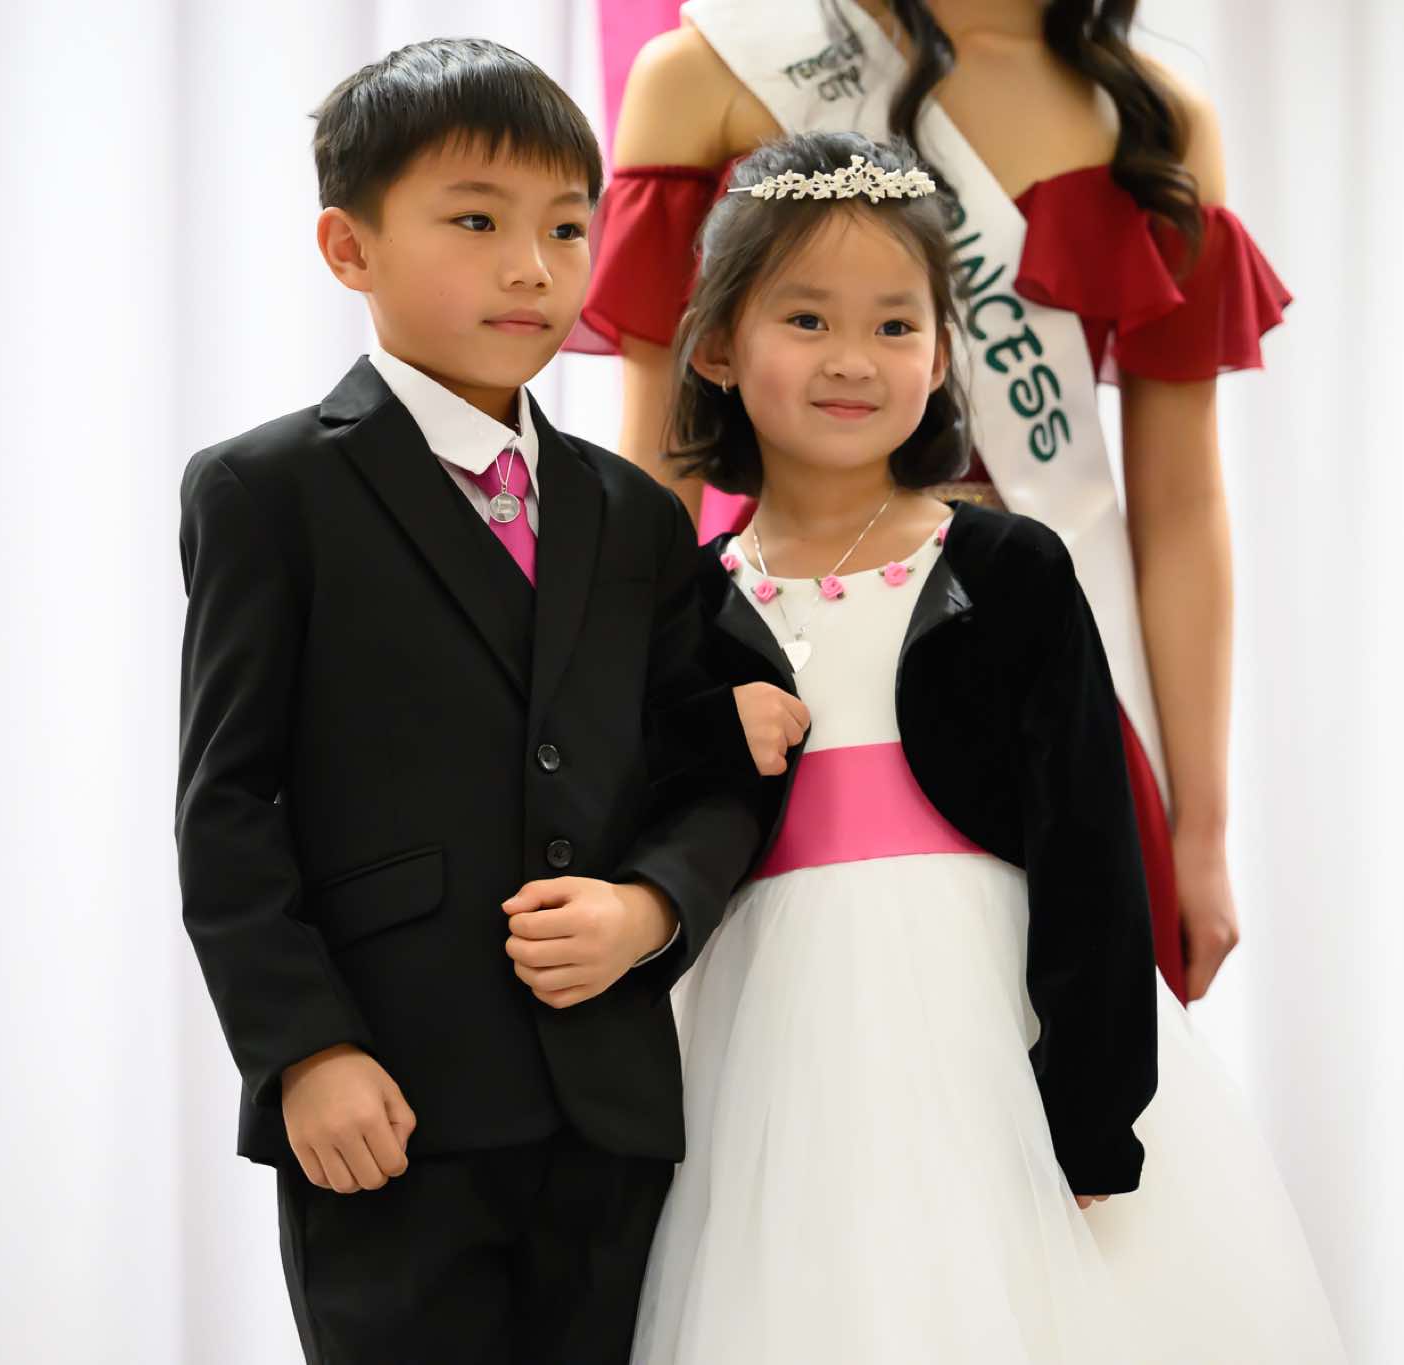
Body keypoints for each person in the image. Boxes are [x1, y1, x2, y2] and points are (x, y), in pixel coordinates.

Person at [628, 131, 1343, 1363]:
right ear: (716, 348)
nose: (852, 358)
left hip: (987, 1032)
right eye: (805, 318)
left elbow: (1087, 851)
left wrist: (1091, 1108)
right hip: (775, 1056)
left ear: (940, 351)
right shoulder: (682, 605)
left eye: (895, 324)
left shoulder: (1006, 570)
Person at [173, 38, 800, 1363]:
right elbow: (227, 804)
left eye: (566, 228)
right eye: (476, 222)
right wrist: (305, 1051)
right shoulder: (268, 492)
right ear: (349, 247)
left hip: (607, 1108)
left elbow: (725, 758)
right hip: (387, 1100)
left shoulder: (631, 511)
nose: (531, 267)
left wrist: (651, 908)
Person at [574, 0, 1293, 1004]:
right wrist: (625, 740)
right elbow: (662, 469)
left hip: (1043, 656)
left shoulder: (1155, 117)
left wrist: (1201, 829)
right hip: (790, 641)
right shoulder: (712, 73)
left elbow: (1178, 510)